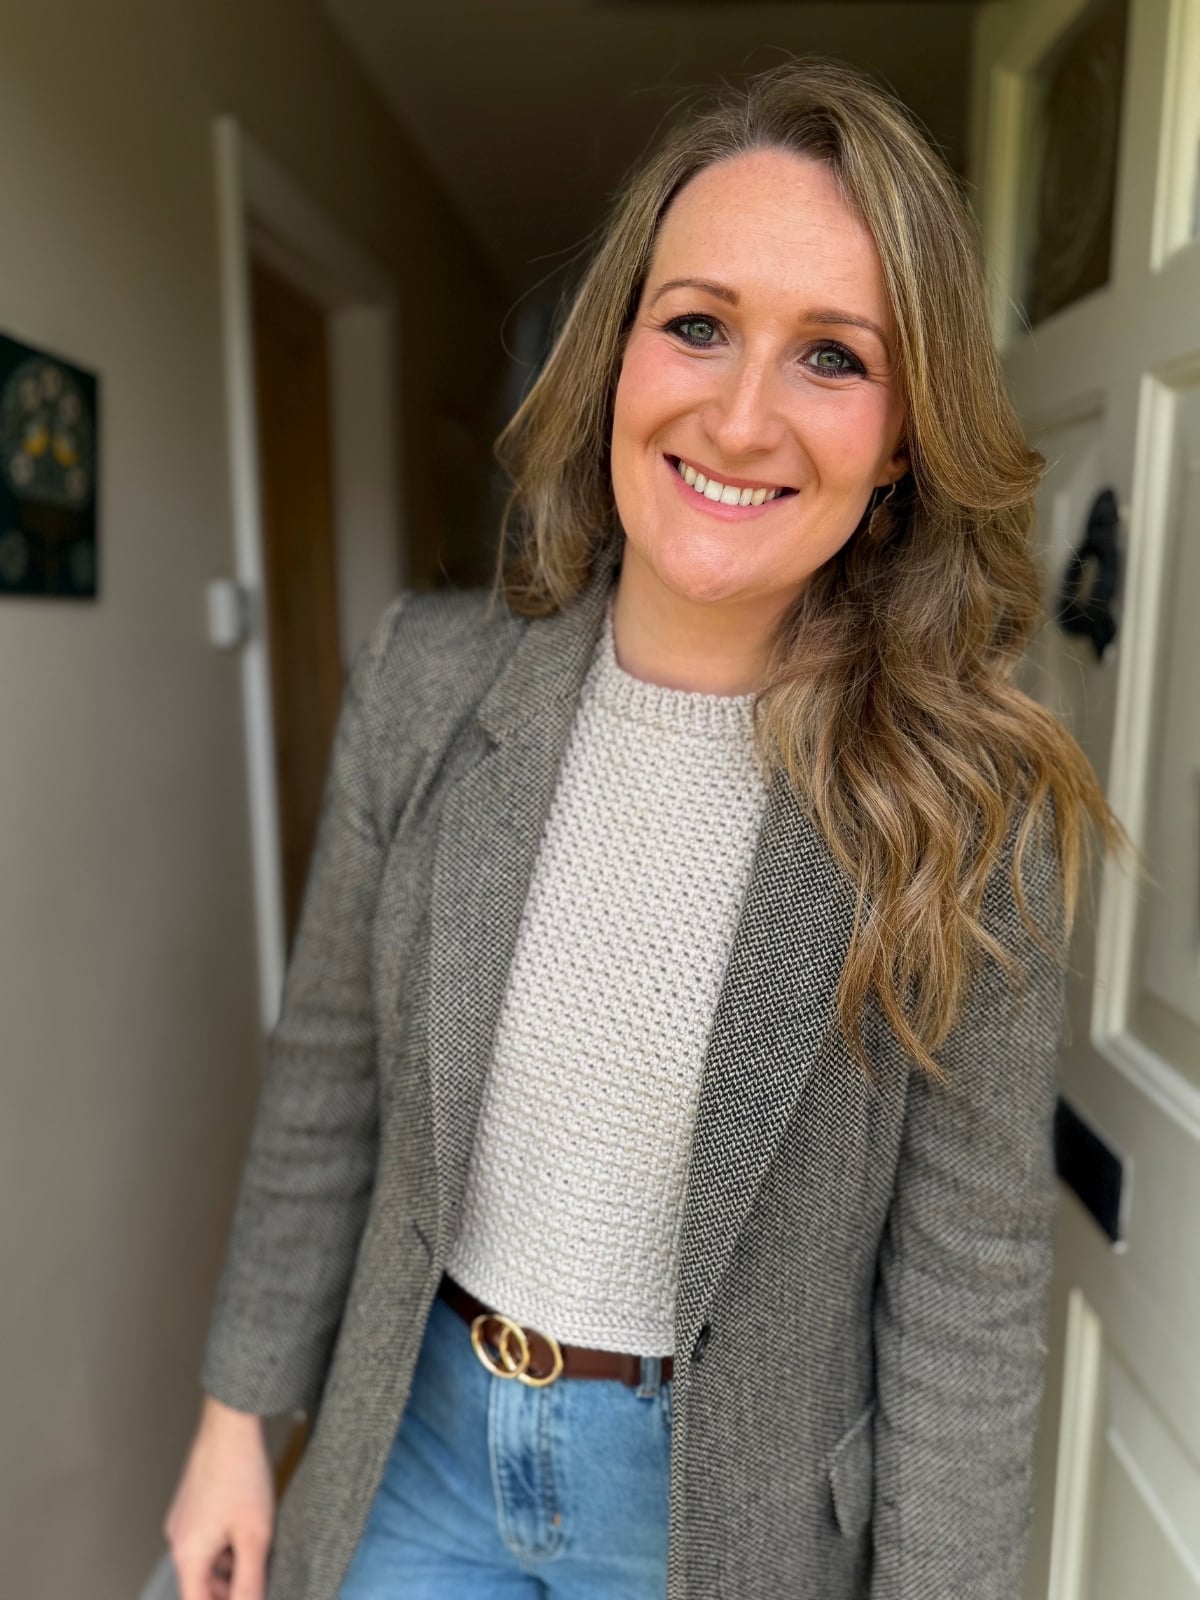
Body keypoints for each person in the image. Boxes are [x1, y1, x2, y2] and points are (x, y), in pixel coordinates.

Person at [165, 56, 1124, 1600]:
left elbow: (971, 1277)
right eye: (697, 325)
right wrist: (231, 1418)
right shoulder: (424, 688)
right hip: (419, 1438)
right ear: (617, 357)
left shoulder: (967, 804)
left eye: (832, 356)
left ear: (902, 444)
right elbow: (327, 1072)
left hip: (729, 1509)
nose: (741, 416)